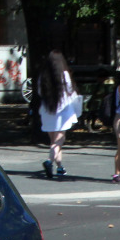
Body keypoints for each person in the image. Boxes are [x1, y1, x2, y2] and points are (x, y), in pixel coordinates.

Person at [37, 50, 80, 179]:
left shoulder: (42, 76)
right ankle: (49, 161)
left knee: (53, 142)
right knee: (59, 140)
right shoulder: (64, 75)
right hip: (63, 111)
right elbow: (71, 91)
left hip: (47, 111)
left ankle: (59, 167)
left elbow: (39, 92)